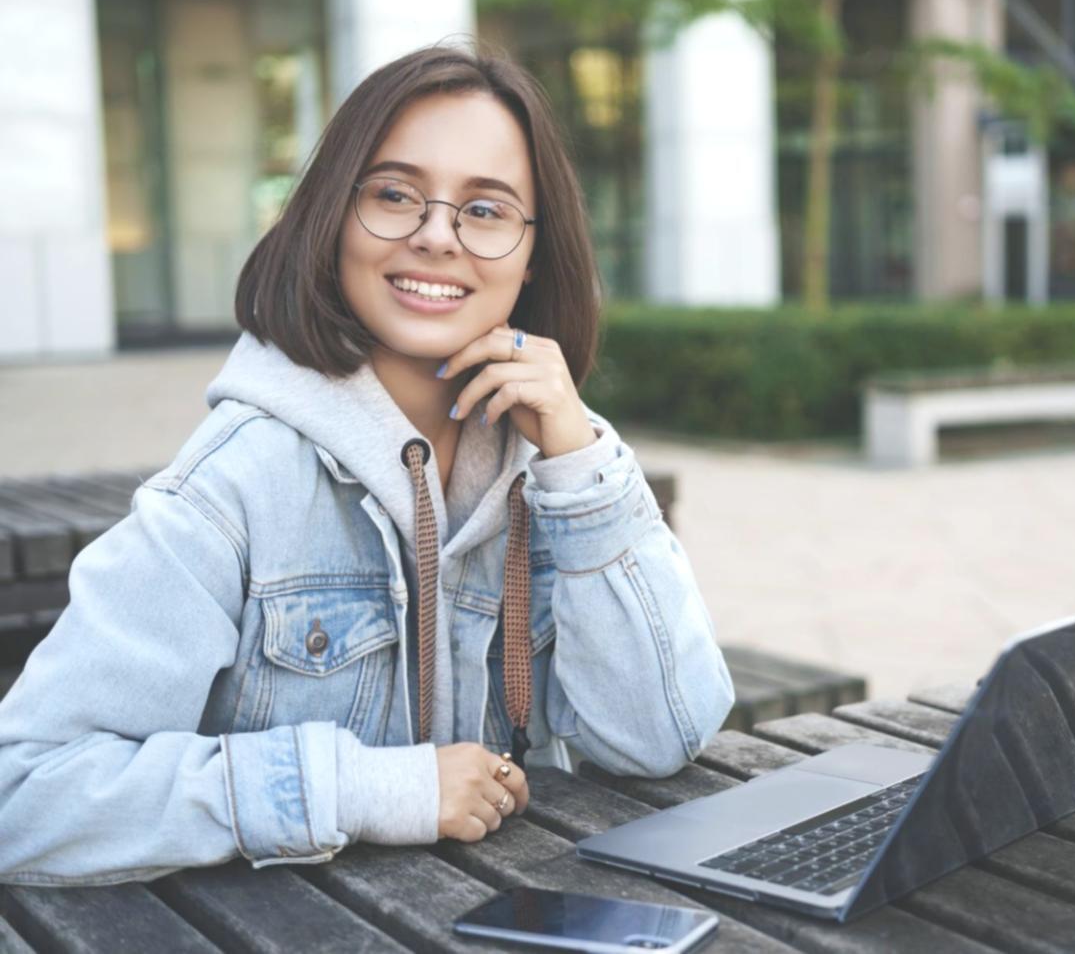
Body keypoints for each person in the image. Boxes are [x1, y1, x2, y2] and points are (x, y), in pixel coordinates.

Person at [0, 46, 735, 885]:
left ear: (532, 255)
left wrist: (582, 463)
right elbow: (23, 793)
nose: (435, 236)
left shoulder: (559, 465)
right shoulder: (234, 485)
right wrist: (369, 788)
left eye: (485, 209)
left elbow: (658, 739)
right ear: (333, 217)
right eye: (393, 195)